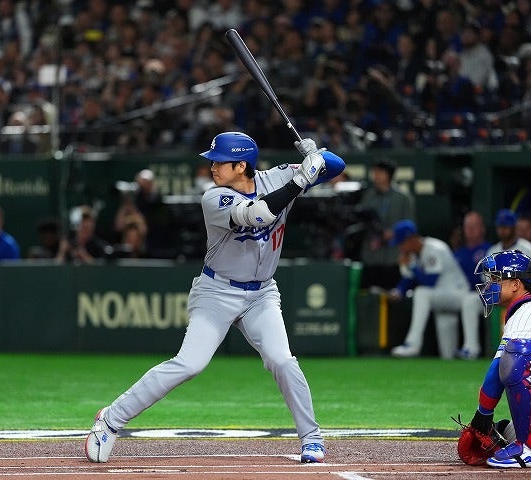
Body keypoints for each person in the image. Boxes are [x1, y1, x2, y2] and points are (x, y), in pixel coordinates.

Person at [84, 131, 346, 464]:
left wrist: (317, 155)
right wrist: (301, 179)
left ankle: (311, 437)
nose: (212, 168)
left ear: (241, 165)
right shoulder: (215, 198)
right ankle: (110, 420)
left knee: (282, 360)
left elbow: (338, 166)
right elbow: (260, 215)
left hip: (261, 293)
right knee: (190, 363)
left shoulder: (279, 175)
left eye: (220, 162)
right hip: (216, 291)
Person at [467, 250, 531, 468]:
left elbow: (498, 370)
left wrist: (483, 414)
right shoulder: (530, 307)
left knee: (516, 359)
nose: (490, 284)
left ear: (516, 284)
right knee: (508, 433)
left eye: (496, 279)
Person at [388, 219, 471, 359]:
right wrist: (398, 291)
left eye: (402, 243)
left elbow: (430, 282)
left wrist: (412, 267)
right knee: (447, 354)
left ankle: (412, 344)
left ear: (411, 239)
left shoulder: (434, 248)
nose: (400, 248)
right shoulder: (414, 254)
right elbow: (408, 280)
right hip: (441, 298)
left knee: (421, 293)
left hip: (459, 294)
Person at [358, 158, 414, 290]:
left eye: (380, 172)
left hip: (393, 257)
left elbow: (410, 224)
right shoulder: (368, 196)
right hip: (371, 255)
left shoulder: (403, 197)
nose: (376, 176)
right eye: (375, 172)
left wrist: (394, 232)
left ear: (389, 174)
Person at [454, 211, 493, 359]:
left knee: (469, 300)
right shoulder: (458, 253)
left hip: (484, 295)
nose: (470, 229)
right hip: (462, 295)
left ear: (482, 228)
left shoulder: (490, 249)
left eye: (474, 226)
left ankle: (471, 348)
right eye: (467, 226)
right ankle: (448, 354)